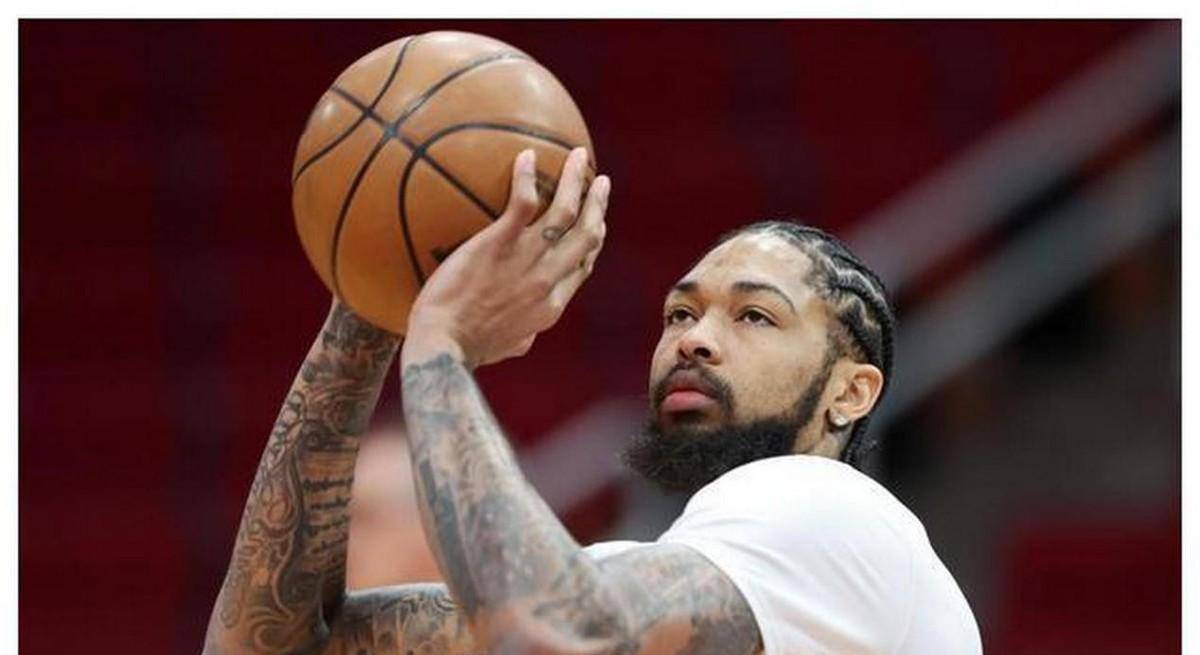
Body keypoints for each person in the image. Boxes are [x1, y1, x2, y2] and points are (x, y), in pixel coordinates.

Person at [202, 147, 982, 655]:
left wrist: (438, 345)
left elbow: (551, 631)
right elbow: (274, 643)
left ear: (851, 391)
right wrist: (367, 309)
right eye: (680, 313)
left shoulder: (829, 510)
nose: (695, 339)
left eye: (754, 315)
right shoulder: (654, 578)